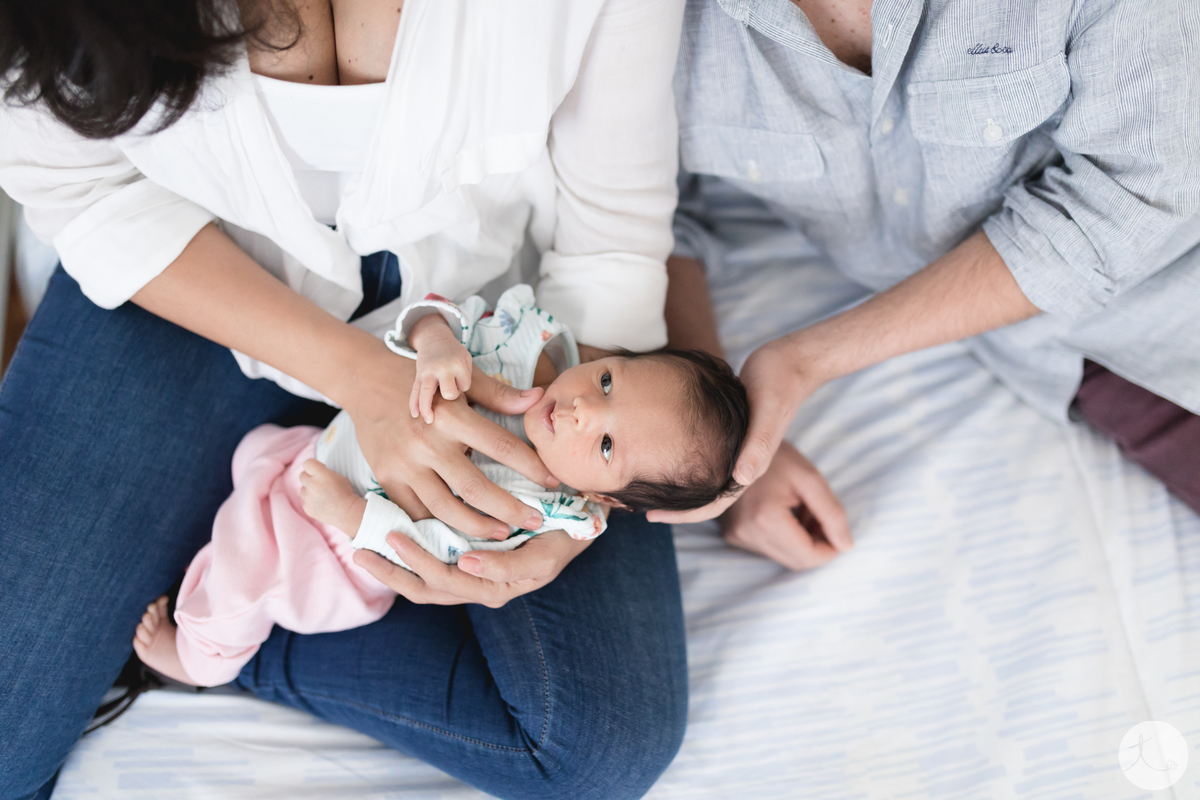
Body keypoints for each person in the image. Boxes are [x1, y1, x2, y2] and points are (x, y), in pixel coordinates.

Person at [0, 1, 692, 798]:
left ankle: (223, 629)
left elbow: (611, 227)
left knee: (600, 748)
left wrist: (580, 506)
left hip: (502, 309)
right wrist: (359, 377)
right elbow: (84, 190)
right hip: (196, 295)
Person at [654, 0, 1200, 566]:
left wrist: (808, 359)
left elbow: (1133, 190)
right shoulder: (648, 23)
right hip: (1079, 366)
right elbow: (654, 218)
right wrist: (720, 441)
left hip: (1173, 292)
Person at [132, 284, 748, 688]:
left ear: (607, 499)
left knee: (246, 577)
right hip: (321, 448)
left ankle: (201, 660)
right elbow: (434, 309)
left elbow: (444, 551)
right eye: (609, 381)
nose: (584, 408)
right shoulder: (524, 340)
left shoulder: (535, 510)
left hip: (332, 547)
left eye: (606, 445)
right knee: (254, 466)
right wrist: (437, 344)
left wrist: (353, 517)